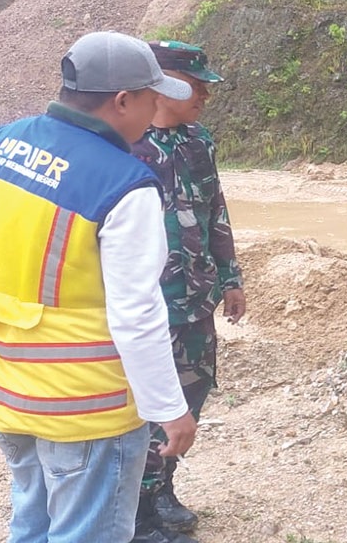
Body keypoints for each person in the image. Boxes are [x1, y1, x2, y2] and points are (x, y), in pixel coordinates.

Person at [0, 31, 197, 543]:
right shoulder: (124, 185)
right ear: (122, 101)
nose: (156, 111)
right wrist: (170, 409)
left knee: (32, 523)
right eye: (151, 98)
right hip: (83, 405)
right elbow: (136, 314)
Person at [130, 40, 246, 542]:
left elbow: (214, 208)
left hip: (196, 300)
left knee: (190, 400)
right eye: (197, 85)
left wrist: (230, 277)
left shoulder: (199, 141)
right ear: (167, 84)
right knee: (145, 409)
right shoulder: (127, 146)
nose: (205, 96)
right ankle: (137, 516)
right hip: (148, 307)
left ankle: (162, 490)